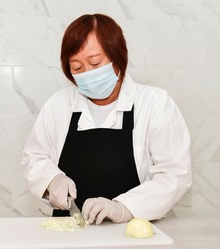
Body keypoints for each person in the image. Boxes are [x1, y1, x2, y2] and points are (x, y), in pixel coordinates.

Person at [21, 14, 192, 225]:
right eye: (77, 68)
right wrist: (51, 180)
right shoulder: (59, 104)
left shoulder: (154, 103)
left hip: (134, 232)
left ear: (118, 57)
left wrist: (124, 208)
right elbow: (34, 157)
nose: (87, 74)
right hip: (69, 233)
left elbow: (175, 174)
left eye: (95, 63)